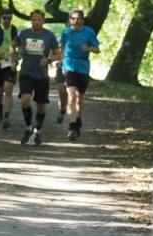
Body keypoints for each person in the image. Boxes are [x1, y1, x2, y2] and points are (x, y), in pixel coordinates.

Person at [11, 10, 59, 146]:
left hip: (42, 75)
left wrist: (49, 60)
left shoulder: (49, 35)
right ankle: (28, 128)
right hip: (26, 72)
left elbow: (58, 54)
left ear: (43, 21)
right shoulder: (23, 34)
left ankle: (37, 131)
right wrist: (14, 59)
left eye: (39, 20)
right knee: (25, 100)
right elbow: (12, 46)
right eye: (34, 20)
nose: (37, 22)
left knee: (41, 107)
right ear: (31, 20)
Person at [59, 8, 101, 140]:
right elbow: (61, 48)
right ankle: (72, 126)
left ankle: (78, 119)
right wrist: (58, 61)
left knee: (79, 97)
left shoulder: (89, 32)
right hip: (69, 65)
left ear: (82, 21)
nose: (75, 21)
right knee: (71, 95)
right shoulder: (66, 32)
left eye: (78, 19)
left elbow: (97, 49)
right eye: (73, 18)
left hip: (83, 67)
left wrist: (88, 48)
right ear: (70, 20)